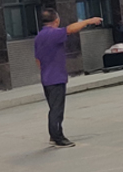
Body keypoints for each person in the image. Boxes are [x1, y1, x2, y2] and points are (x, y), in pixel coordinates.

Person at [34, 9, 103, 147]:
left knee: (53, 107)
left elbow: (37, 59)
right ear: (56, 20)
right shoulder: (53, 33)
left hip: (46, 77)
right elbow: (70, 29)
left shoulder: (39, 36)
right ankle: (57, 137)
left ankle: (55, 134)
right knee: (57, 109)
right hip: (56, 77)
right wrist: (89, 21)